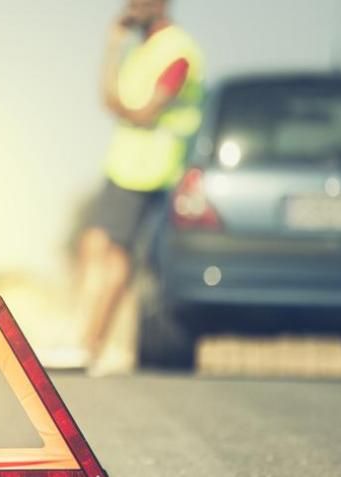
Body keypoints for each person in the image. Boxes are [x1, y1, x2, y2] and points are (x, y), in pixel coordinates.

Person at [77, 0, 204, 367]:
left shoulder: (178, 50)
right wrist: (113, 45)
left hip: (153, 171)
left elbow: (146, 112)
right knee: (94, 247)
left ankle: (90, 346)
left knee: (118, 258)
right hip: (123, 168)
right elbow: (109, 99)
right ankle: (86, 337)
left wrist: (124, 108)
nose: (130, 5)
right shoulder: (140, 49)